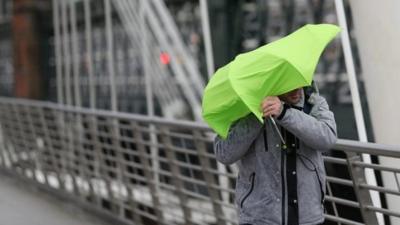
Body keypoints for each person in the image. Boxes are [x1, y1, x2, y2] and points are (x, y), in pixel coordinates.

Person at [214, 86, 337, 225]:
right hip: (259, 219)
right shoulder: (244, 106)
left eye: (299, 83)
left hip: (307, 217)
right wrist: (256, 114)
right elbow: (223, 153)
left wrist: (285, 113)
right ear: (273, 83)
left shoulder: (314, 102)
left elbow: (328, 139)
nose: (296, 90)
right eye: (288, 86)